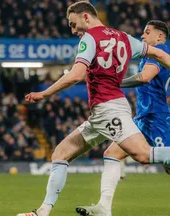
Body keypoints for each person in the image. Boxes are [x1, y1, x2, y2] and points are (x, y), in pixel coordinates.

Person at [17, 1, 170, 216]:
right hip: (102, 112)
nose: (73, 30)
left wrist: (44, 93)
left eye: (73, 24)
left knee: (144, 155)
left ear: (86, 17)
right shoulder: (125, 38)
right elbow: (161, 56)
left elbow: (77, 74)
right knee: (61, 154)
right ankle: (46, 211)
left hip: (110, 109)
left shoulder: (90, 37)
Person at [76, 20, 170, 216]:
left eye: (147, 32)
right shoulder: (150, 54)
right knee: (112, 153)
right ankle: (104, 208)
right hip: (143, 117)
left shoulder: (161, 50)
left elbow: (144, 77)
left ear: (160, 36)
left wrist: (114, 84)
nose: (143, 36)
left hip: (157, 118)